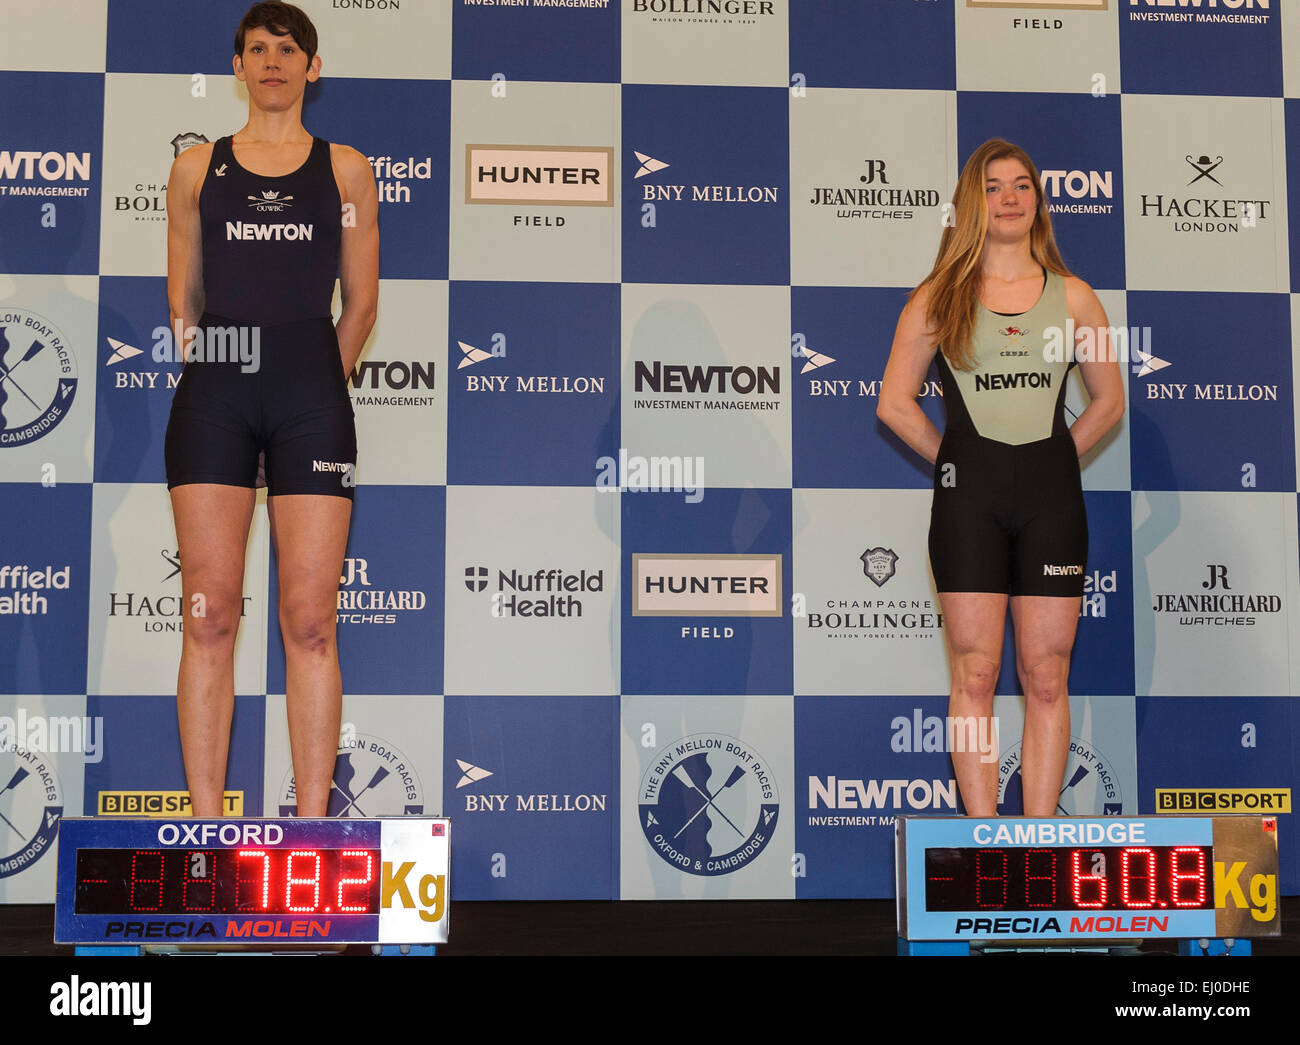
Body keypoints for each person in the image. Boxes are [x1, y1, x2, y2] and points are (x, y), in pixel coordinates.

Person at [163, 2, 378, 817]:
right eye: (258, 49)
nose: (274, 61)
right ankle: (210, 829)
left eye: (289, 49)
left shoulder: (348, 169)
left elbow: (359, 304)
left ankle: (315, 834)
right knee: (210, 614)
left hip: (308, 395)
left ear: (312, 68)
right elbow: (183, 303)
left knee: (310, 620)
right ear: (238, 67)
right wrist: (225, 381)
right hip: (218, 389)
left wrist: (316, 384)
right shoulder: (195, 170)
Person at [877, 139, 1123, 818]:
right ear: (970, 202)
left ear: (1039, 202)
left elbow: (1110, 401)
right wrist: (957, 460)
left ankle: (1037, 844)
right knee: (975, 672)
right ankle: (984, 840)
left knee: (1046, 677)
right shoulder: (937, 297)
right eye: (993, 186)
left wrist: (1051, 458)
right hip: (969, 505)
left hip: (1051, 501)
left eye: (1022, 185)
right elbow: (894, 404)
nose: (1010, 198)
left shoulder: (1077, 298)